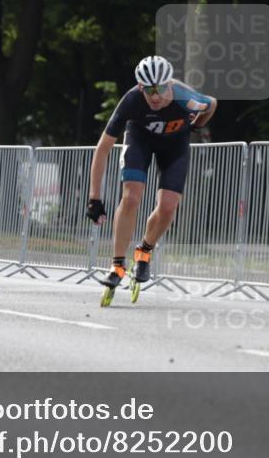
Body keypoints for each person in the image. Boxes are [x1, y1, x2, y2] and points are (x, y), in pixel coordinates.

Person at [86, 55, 217, 287]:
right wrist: (94, 198)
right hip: (140, 140)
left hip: (175, 146)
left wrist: (196, 125)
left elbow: (211, 104)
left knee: (168, 206)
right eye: (148, 90)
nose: (155, 96)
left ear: (169, 84)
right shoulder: (132, 100)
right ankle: (117, 265)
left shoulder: (185, 98)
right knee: (131, 197)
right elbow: (103, 148)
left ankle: (144, 251)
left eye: (160, 89)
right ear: (140, 87)